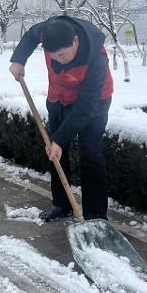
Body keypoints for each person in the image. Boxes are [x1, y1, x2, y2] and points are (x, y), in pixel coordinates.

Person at [9, 15, 113, 222]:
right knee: (55, 153)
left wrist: (60, 139)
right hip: (59, 98)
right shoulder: (48, 30)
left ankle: (95, 214)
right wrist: (18, 59)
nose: (59, 60)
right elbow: (30, 36)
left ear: (75, 41)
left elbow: (85, 106)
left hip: (93, 103)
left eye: (63, 55)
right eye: (53, 56)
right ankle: (61, 204)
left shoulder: (96, 58)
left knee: (90, 154)